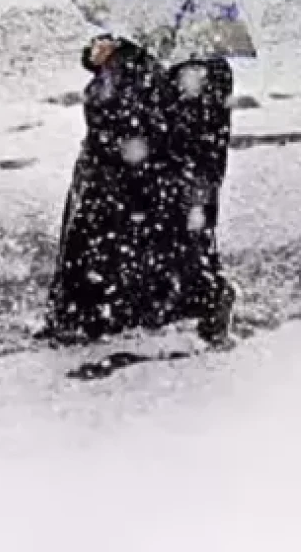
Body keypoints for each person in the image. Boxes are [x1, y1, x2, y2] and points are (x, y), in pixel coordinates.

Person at [39, 34, 187, 343]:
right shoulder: (125, 67)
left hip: (113, 179)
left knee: (97, 248)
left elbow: (127, 125)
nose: (98, 43)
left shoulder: (137, 74)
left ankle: (89, 316)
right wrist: (97, 61)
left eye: (106, 41)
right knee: (92, 247)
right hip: (103, 176)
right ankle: (87, 313)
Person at [168, 56, 237, 344]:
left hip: (196, 170)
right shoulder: (191, 70)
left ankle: (212, 297)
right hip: (192, 168)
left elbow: (201, 128)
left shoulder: (209, 73)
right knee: (190, 233)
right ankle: (204, 295)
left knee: (195, 234)